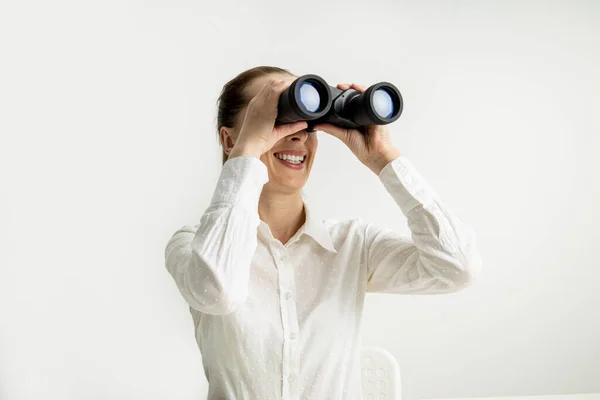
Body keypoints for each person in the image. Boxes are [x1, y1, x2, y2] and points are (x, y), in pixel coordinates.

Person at [164, 65, 482, 400]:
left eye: (308, 124)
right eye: (276, 118)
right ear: (229, 139)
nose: (298, 135)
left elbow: (457, 267)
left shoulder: (353, 245)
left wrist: (384, 159)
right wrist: (247, 153)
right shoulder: (193, 245)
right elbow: (218, 291)